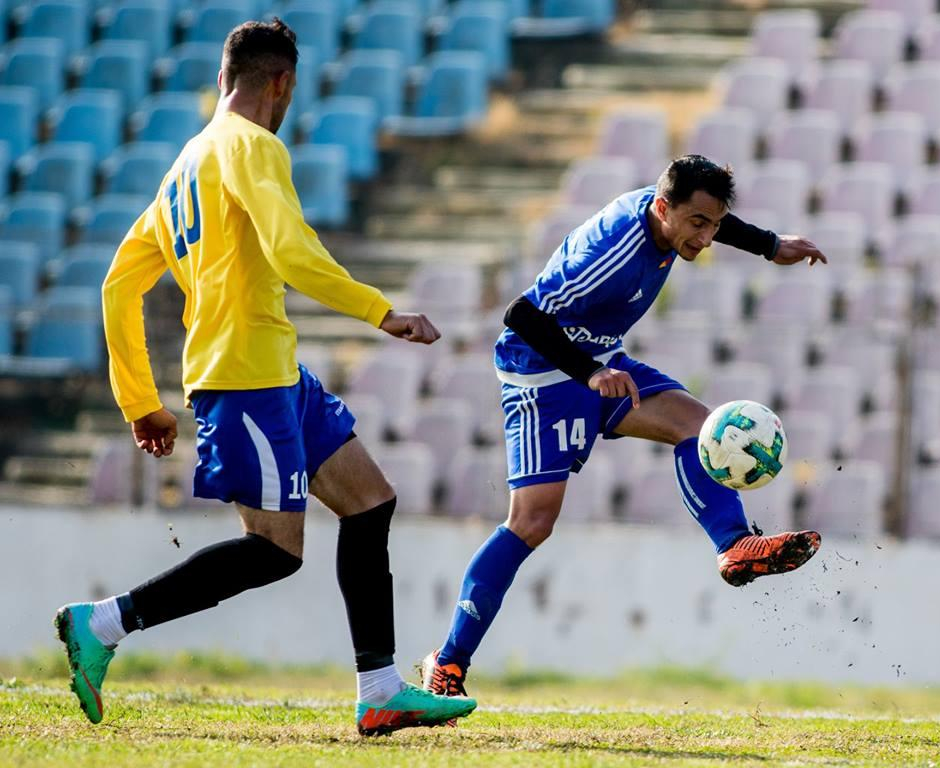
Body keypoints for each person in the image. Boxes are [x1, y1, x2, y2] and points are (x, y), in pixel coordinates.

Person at [54, 19, 475, 736]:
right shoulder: (255, 146)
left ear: (223, 79)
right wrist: (383, 313)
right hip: (243, 375)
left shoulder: (186, 163)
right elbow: (291, 251)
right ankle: (104, 623)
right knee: (277, 551)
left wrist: (139, 400)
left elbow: (119, 286)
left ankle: (380, 688)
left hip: (274, 368)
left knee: (370, 501)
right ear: (281, 83)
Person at [421, 154, 827, 699]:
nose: (705, 239)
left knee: (700, 428)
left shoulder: (675, 212)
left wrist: (770, 244)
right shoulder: (610, 252)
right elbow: (521, 315)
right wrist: (590, 374)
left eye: (713, 225)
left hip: (600, 359)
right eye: (698, 225)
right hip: (541, 373)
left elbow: (707, 213)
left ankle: (734, 546)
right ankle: (446, 663)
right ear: (663, 209)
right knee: (533, 522)